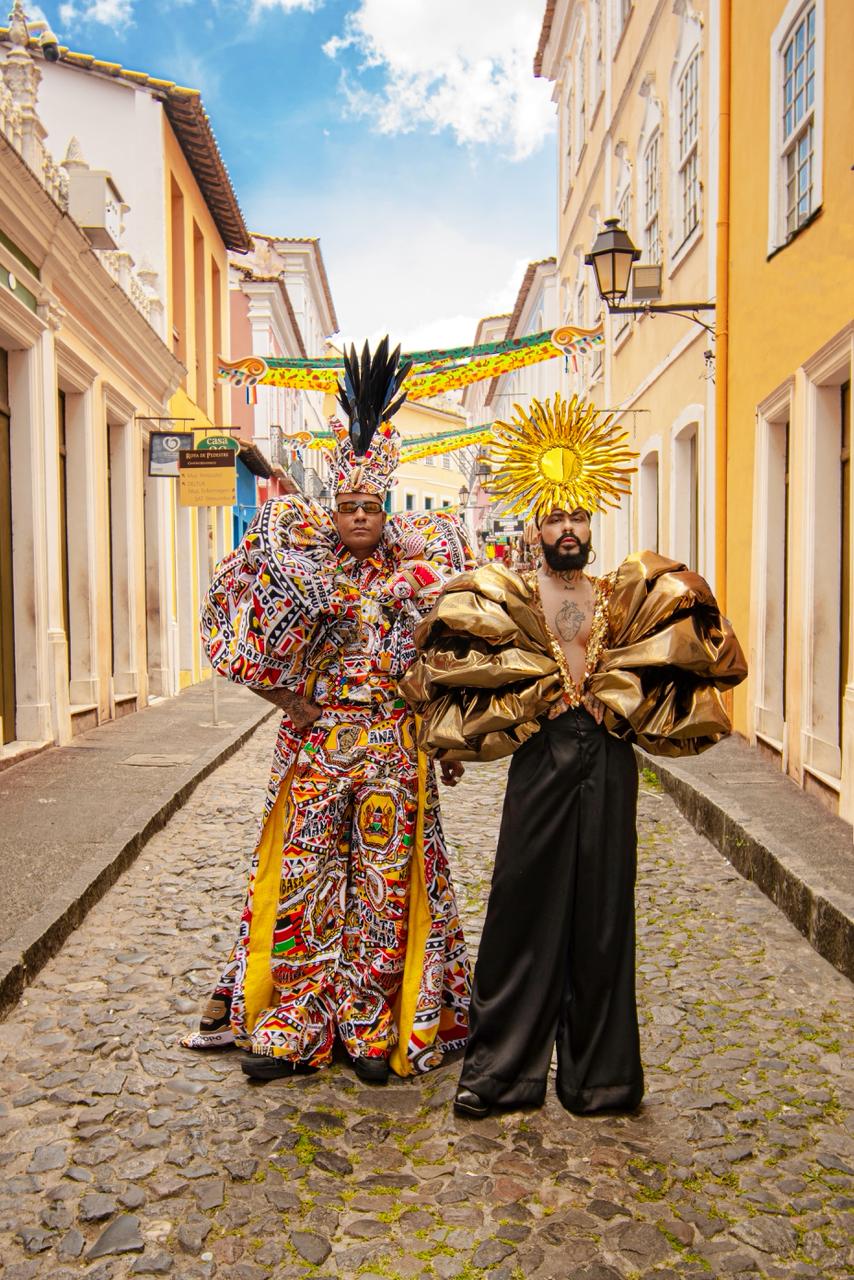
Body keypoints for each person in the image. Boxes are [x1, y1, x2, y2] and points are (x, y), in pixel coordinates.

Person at [401, 392, 746, 1118]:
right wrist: (478, 730)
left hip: (610, 759)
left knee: (602, 913)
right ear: (535, 524)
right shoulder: (514, 595)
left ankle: (601, 1080)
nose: (567, 528)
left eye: (578, 516)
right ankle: (503, 1077)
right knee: (521, 906)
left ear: (591, 523)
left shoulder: (620, 598)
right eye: (555, 516)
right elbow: (461, 667)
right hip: (542, 756)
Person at [183, 339, 473, 1084]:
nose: (356, 516)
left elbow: (447, 661)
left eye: (369, 505)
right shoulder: (295, 566)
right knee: (308, 876)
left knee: (384, 881)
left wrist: (447, 740)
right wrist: (284, 696)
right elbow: (232, 629)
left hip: (396, 745)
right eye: (345, 505)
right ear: (332, 508)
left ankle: (373, 1029)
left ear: (385, 508)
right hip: (318, 747)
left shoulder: (425, 575)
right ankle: (293, 1023)